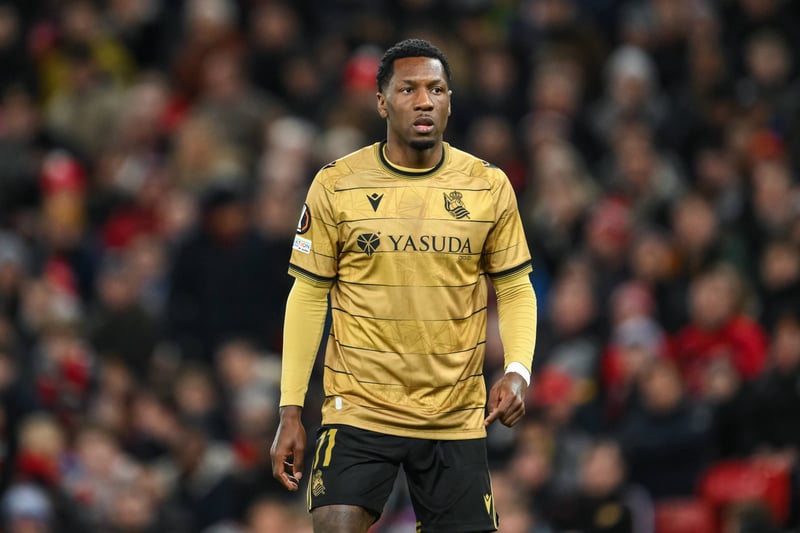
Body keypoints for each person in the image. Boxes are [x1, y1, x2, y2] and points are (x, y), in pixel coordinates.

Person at [269, 38, 538, 533]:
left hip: (454, 413)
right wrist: (290, 410)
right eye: (408, 89)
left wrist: (517, 370)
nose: (424, 101)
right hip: (359, 410)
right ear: (381, 101)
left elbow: (516, 288)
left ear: (450, 101)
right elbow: (308, 295)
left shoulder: (488, 186)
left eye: (436, 89)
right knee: (335, 526)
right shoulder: (337, 184)